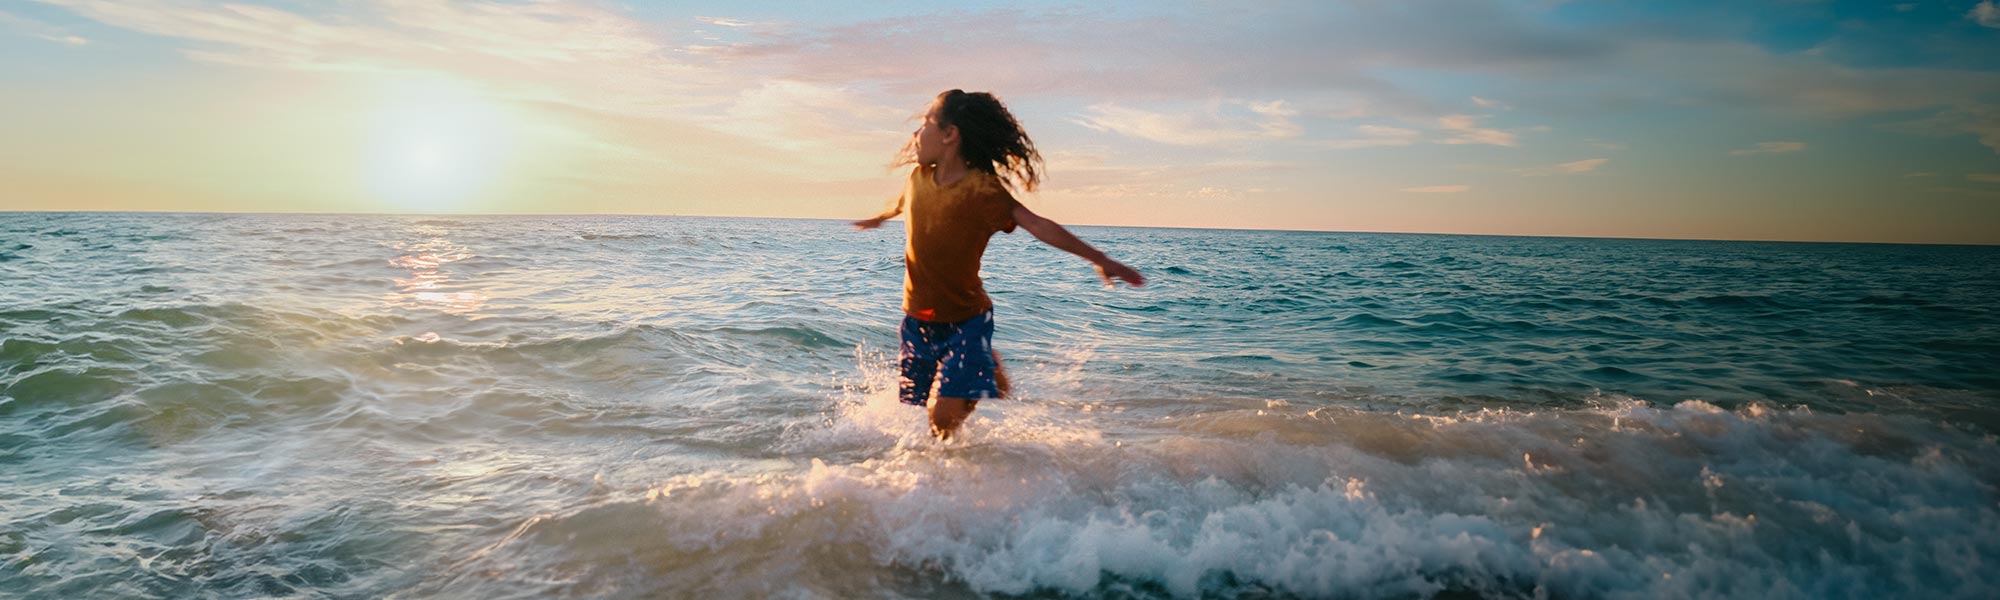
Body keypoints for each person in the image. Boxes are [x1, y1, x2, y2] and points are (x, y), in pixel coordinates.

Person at [852, 89, 1144, 440]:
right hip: (917, 319)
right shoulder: (917, 178)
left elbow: (1037, 224)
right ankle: (983, 365)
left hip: (967, 319)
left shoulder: (984, 192)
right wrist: (879, 218)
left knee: (942, 419)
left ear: (949, 135)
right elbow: (901, 204)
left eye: (925, 123)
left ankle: (948, 477)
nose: (915, 133)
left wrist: (1100, 258)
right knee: (913, 406)